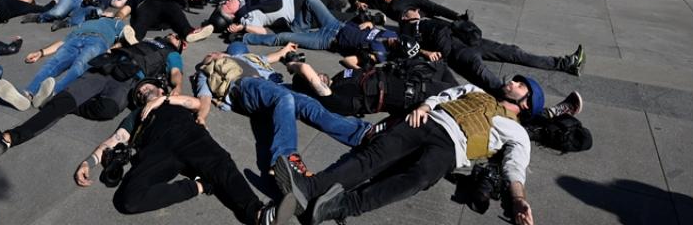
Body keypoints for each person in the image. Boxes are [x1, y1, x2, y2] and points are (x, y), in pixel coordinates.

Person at [274, 77, 549, 225]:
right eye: (515, 80)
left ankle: (336, 208)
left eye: (520, 85)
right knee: (373, 157)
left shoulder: (518, 132)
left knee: (416, 180)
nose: (512, 83)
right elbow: (446, 96)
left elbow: (514, 167)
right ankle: (308, 189)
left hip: (452, 148)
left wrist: (518, 201)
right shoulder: (476, 90)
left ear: (526, 104)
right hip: (427, 121)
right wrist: (424, 107)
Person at [75, 79, 286, 225]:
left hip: (188, 135)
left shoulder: (172, 100)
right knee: (129, 199)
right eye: (139, 93)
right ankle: (200, 184)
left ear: (159, 89)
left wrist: (165, 100)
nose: (142, 91)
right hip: (156, 151)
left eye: (146, 87)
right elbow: (115, 139)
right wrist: (87, 163)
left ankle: (259, 214)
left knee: (221, 164)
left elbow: (196, 103)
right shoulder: (137, 115)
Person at [0, 33, 186, 157]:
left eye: (176, 36)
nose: (171, 35)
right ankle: (7, 138)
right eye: (170, 33)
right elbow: (120, 45)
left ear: (180, 44)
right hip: (106, 69)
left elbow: (176, 72)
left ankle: (50, 99)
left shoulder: (172, 53)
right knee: (64, 103)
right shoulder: (146, 40)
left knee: (107, 110)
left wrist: (176, 88)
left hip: (128, 82)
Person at [194, 42, 374, 177]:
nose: (212, 53)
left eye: (216, 52)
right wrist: (201, 117)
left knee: (308, 104)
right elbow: (205, 97)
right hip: (244, 86)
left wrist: (286, 49)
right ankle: (285, 157)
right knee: (284, 98)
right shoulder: (206, 71)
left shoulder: (249, 58)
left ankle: (360, 132)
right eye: (209, 55)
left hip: (273, 86)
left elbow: (275, 56)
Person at [401, 6, 585, 92]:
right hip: (458, 52)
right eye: (411, 11)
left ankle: (565, 63)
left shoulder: (427, 19)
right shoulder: (407, 30)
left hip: (470, 42)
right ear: (406, 17)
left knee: (513, 52)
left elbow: (441, 11)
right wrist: (427, 53)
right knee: (487, 77)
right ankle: (513, 102)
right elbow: (408, 49)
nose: (416, 10)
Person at [282, 36, 460, 117]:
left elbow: (348, 61)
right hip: (413, 93)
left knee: (440, 66)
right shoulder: (332, 98)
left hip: (409, 75)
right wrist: (293, 66)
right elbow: (306, 70)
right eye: (315, 79)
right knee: (462, 98)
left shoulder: (338, 79)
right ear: (313, 87)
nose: (319, 75)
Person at [0, 16, 127, 111]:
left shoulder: (114, 23)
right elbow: (62, 42)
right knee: (52, 64)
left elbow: (129, 35)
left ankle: (52, 94)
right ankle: (27, 94)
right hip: (75, 39)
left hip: (98, 40)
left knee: (79, 65)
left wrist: (112, 49)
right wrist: (41, 52)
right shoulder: (84, 23)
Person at [23, 0, 125, 30]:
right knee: (58, 13)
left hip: (90, 6)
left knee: (97, 12)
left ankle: (65, 23)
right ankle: (39, 17)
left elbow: (119, 4)